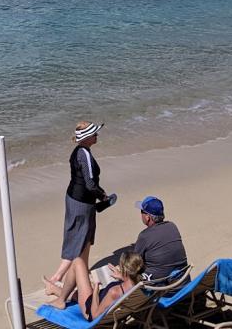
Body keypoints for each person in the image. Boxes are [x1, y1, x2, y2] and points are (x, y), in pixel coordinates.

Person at [45, 121, 116, 293]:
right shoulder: (83, 154)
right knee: (78, 240)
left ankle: (82, 271)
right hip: (81, 203)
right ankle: (56, 279)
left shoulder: (79, 151)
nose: (97, 136)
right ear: (87, 138)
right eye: (95, 134)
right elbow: (90, 184)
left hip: (77, 200)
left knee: (86, 239)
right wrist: (103, 196)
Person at [45, 251, 144, 320]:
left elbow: (95, 315)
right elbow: (130, 282)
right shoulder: (140, 285)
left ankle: (60, 301)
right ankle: (53, 289)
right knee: (78, 294)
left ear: (125, 270)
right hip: (110, 307)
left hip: (90, 310)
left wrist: (96, 290)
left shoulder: (114, 292)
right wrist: (122, 277)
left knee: (77, 262)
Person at [130, 195, 188, 283]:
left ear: (147, 217)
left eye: (142, 211)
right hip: (182, 281)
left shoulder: (144, 236)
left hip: (160, 286)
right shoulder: (172, 226)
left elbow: (134, 263)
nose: (141, 214)